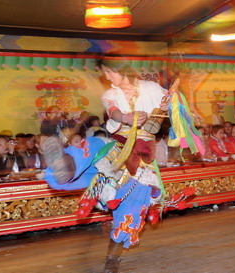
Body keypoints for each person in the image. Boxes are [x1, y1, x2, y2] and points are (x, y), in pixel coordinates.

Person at [41, 57, 172, 273]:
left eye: (110, 72)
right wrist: (127, 117)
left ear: (122, 69)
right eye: (106, 74)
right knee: (93, 144)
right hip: (116, 144)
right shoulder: (110, 94)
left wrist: (173, 107)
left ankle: (112, 260)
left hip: (141, 156)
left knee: (130, 209)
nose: (108, 77)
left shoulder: (151, 88)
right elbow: (114, 112)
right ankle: (66, 165)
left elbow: (173, 102)